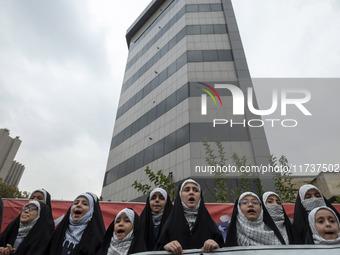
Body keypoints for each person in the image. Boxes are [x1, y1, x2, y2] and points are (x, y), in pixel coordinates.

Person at [157, 179, 224, 254]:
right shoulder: (170, 223)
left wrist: (216, 247)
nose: (191, 192)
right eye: (186, 190)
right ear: (180, 195)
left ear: (200, 196)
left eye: (195, 190)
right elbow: (158, 248)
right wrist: (166, 247)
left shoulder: (209, 223)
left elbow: (224, 249)